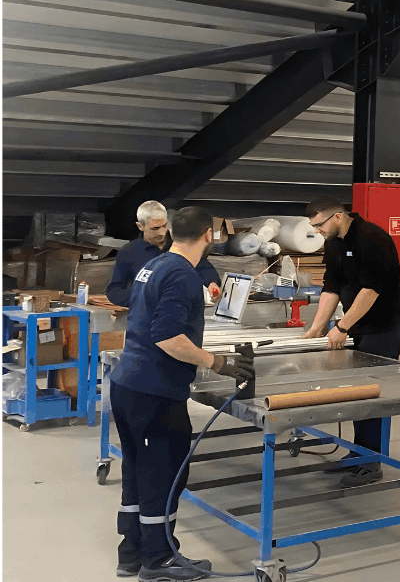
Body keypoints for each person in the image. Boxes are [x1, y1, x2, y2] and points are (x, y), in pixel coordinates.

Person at [107, 206, 254, 581]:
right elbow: (168, 337)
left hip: (128, 384)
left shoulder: (154, 266)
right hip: (153, 390)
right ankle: (159, 560)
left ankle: (131, 552)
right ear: (208, 235)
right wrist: (216, 362)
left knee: (137, 469)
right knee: (163, 473)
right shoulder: (181, 274)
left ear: (172, 232)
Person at [302, 199, 400, 487]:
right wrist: (316, 327)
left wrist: (342, 326)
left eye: (319, 225)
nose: (317, 231)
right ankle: (359, 454)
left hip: (383, 328)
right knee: (357, 394)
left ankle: (371, 464)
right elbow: (331, 286)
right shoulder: (333, 242)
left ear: (338, 216)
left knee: (372, 395)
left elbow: (370, 290)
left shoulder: (372, 239)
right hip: (357, 326)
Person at [106, 201, 220, 308]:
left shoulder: (179, 244)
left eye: (164, 226)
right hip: (146, 313)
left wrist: (212, 283)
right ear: (140, 226)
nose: (161, 233)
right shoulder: (129, 252)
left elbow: (204, 268)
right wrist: (145, 298)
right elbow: (115, 291)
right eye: (155, 228)